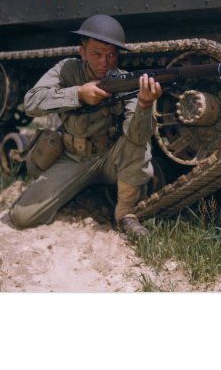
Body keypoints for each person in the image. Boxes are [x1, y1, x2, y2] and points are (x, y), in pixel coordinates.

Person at [9, 14, 162, 236]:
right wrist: (77, 93)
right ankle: (86, 190)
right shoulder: (67, 70)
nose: (104, 62)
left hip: (112, 158)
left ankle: (125, 214)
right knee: (22, 216)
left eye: (111, 55)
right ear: (82, 52)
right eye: (96, 54)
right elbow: (31, 102)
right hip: (72, 157)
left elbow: (138, 137)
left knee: (136, 145)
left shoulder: (126, 81)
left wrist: (145, 105)